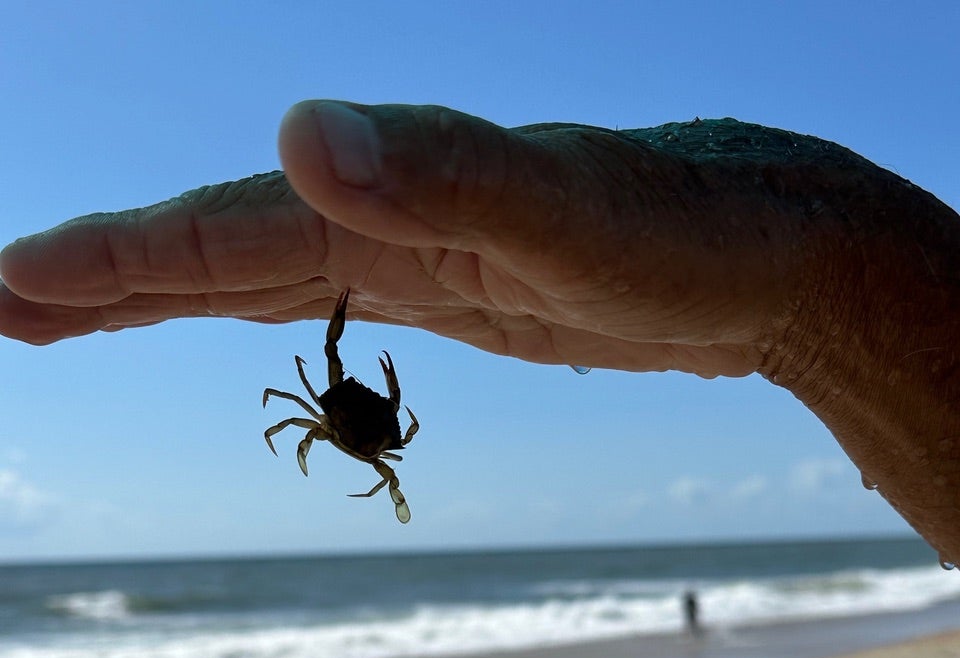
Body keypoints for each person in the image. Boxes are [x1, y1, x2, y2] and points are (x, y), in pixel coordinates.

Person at [1, 101, 957, 559]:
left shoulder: (343, 416)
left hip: (352, 414)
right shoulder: (367, 430)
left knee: (314, 398)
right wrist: (814, 304)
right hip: (355, 417)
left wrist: (820, 292)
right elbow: (372, 442)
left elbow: (335, 429)